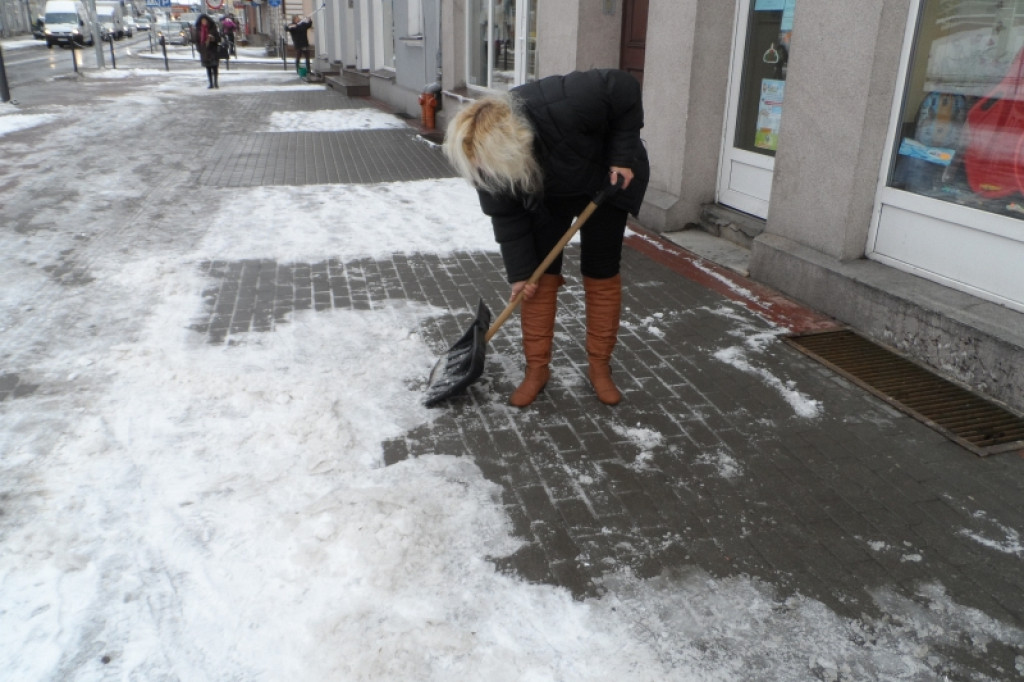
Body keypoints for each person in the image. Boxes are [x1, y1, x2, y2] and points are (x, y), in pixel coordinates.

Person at [443, 69, 650, 407]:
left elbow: (624, 88)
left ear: (510, 148)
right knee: (537, 278)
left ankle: (600, 367)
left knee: (601, 271)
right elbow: (507, 219)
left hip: (604, 182)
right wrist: (519, 274)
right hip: (548, 193)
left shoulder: (567, 100)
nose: (485, 174)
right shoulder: (483, 161)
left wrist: (622, 158)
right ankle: (537, 370)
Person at [194, 14, 221, 89]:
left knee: (215, 67)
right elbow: (197, 40)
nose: (204, 22)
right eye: (202, 21)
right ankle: (211, 83)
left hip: (213, 50)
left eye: (205, 20)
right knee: (208, 68)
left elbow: (218, 39)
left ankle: (216, 82)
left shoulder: (213, 28)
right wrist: (199, 49)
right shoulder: (199, 30)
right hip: (204, 51)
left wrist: (213, 39)